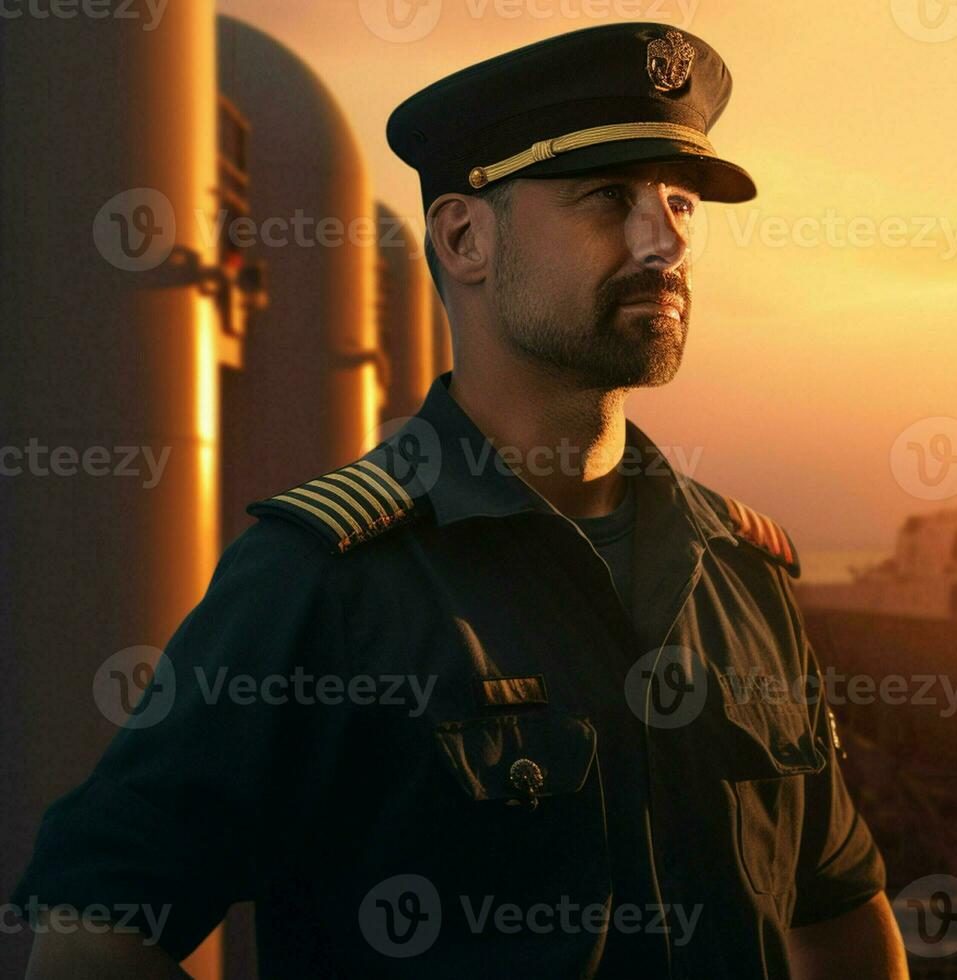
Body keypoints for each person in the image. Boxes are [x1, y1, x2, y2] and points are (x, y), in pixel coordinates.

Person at [14, 21, 907, 980]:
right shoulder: (323, 582)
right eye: (610, 199)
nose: (665, 243)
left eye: (681, 202)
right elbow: (95, 941)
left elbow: (841, 916)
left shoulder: (740, 573)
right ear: (464, 237)